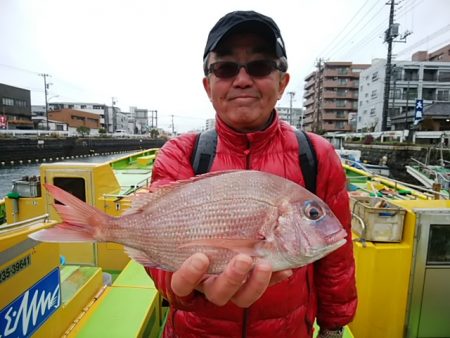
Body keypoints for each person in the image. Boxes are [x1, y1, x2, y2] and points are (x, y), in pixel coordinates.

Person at [146, 10, 357, 338]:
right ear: (208, 85)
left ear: (282, 82)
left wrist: (334, 326)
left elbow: (337, 259)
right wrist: (186, 289)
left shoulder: (317, 155)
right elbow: (157, 243)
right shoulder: (180, 154)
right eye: (226, 68)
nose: (242, 79)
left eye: (259, 66)